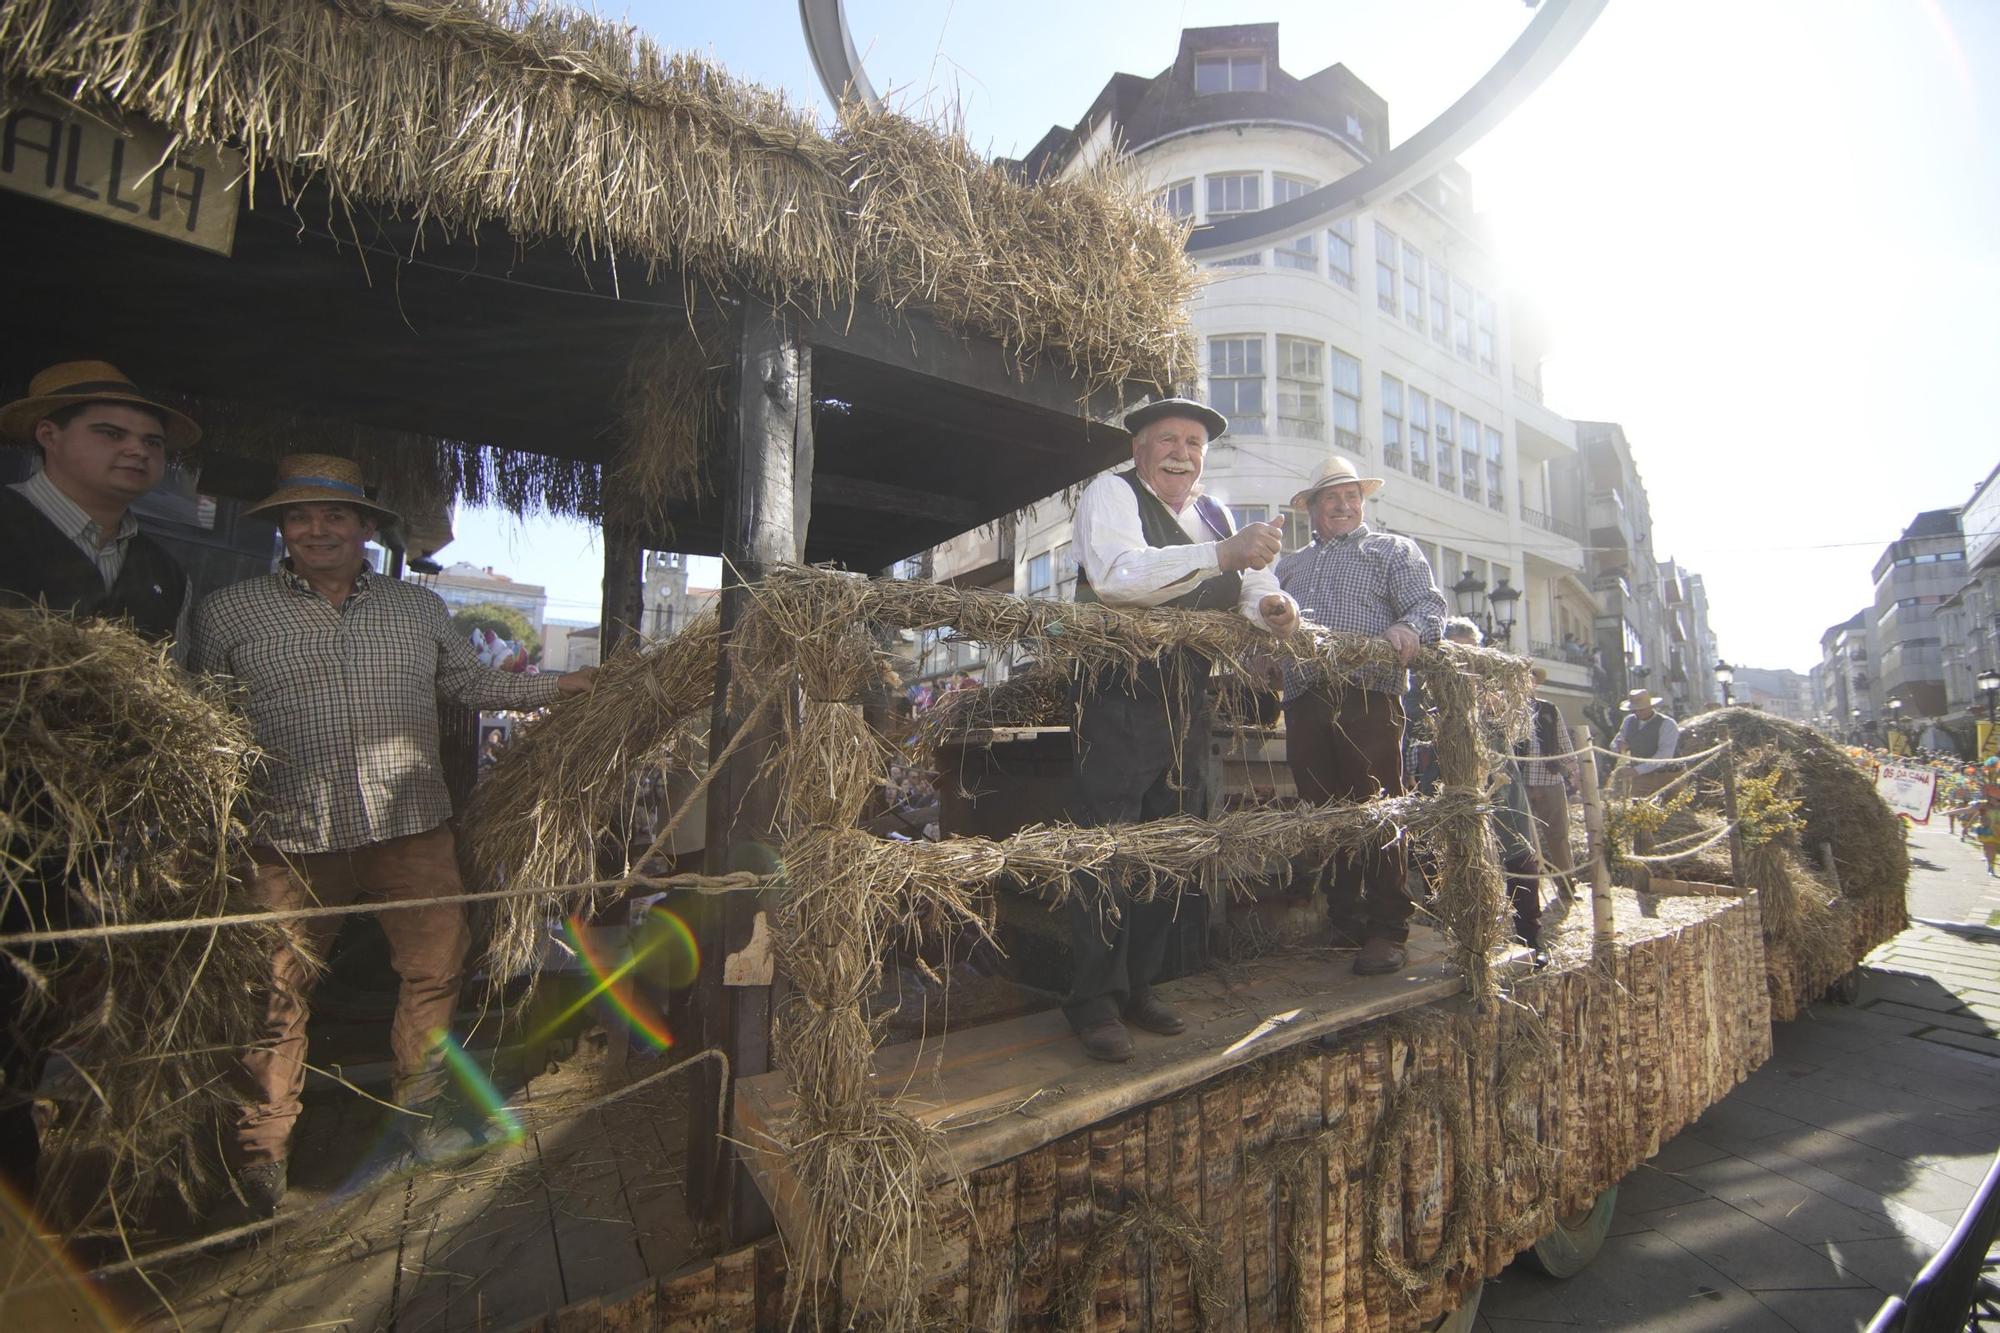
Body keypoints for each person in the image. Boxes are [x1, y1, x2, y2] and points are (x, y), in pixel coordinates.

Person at [194, 455, 596, 1218]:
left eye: (335, 515)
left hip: (408, 824)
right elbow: (200, 712)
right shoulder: (228, 612)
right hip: (287, 831)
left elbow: (472, 685)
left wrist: (560, 686)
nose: (317, 528)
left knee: (435, 973)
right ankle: (263, 1149)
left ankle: (422, 1117)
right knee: (273, 990)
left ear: (366, 528)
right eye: (300, 516)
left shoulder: (415, 610)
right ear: (282, 528)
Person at [0, 361, 202, 1203]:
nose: (136, 452)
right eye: (110, 433)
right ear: (48, 435)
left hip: (80, 849)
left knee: (30, 1024)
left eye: (150, 442)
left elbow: (174, 696)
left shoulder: (161, 572)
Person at [1064, 398, 1298, 1062]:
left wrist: (1276, 608)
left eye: (1194, 442)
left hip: (1189, 694)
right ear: (1139, 450)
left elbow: (1257, 586)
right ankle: (1093, 999)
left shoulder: (1214, 512)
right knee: (1108, 843)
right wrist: (1222, 554)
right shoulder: (1110, 493)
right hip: (1118, 688)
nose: (1182, 452)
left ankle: (1140, 984)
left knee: (1174, 841)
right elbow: (1116, 578)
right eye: (1167, 439)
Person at [1277, 457, 1446, 976]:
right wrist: (1263, 659)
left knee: (1377, 810)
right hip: (1305, 696)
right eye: (1332, 498)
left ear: (1363, 503)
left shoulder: (1392, 550)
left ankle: (1388, 928)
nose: (1344, 505)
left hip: (1369, 694)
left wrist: (1409, 629)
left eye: (1352, 496)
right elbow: (1267, 626)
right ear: (1311, 509)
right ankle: (1344, 918)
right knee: (1322, 813)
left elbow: (1428, 606)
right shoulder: (1289, 567)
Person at [1520, 667, 1581, 902]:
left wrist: (1574, 772)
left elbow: (1564, 743)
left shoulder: (1549, 710)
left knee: (1558, 835)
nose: (1528, 683)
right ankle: (1527, 892)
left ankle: (1567, 886)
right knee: (1522, 839)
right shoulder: (1504, 710)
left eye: (1531, 679)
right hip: (1520, 783)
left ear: (1536, 684)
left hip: (1550, 779)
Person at [1609, 688, 1679, 798]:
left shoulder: (1667, 724)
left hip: (1667, 775)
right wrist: (1618, 747)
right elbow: (1616, 742)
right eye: (1634, 710)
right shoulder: (1629, 721)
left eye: (1641, 709)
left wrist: (1637, 770)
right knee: (1637, 808)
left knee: (1671, 808)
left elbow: (1664, 755)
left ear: (1651, 706)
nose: (1637, 713)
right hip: (1641, 777)